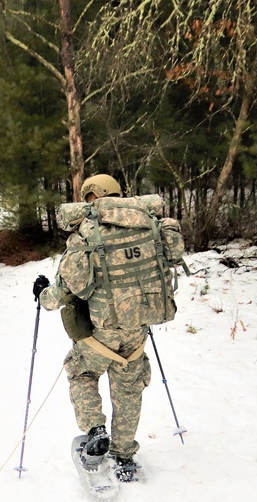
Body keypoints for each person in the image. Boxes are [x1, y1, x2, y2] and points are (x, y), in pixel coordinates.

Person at [33, 174, 167, 482]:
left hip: (100, 332)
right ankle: (124, 454)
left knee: (82, 372)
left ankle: (95, 429)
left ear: (91, 196)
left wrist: (42, 295)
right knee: (129, 387)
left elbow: (64, 292)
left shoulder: (87, 235)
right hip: (137, 329)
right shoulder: (148, 227)